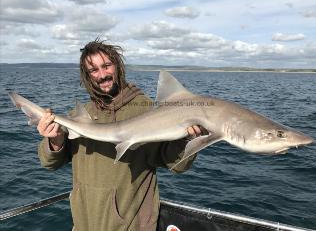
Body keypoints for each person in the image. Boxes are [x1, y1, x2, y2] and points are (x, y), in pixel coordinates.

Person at [37, 39, 206, 231]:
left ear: (118, 66)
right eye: (94, 70)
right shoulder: (82, 113)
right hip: (84, 223)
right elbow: (50, 163)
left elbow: (175, 165)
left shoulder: (146, 109)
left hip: (129, 225)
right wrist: (55, 141)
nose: (102, 75)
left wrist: (189, 139)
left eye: (107, 66)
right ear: (87, 76)